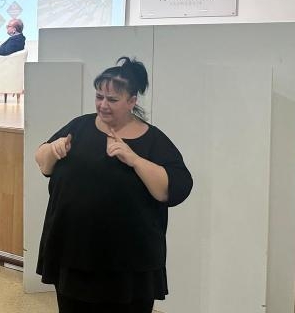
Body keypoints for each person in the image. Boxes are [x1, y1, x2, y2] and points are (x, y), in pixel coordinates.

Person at [33, 57, 192, 313]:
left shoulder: (153, 140)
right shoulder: (80, 126)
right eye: (99, 97)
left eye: (112, 100)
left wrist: (134, 159)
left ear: (132, 101)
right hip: (74, 251)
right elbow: (43, 164)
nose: (103, 105)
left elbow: (170, 189)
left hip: (129, 261)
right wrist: (53, 150)